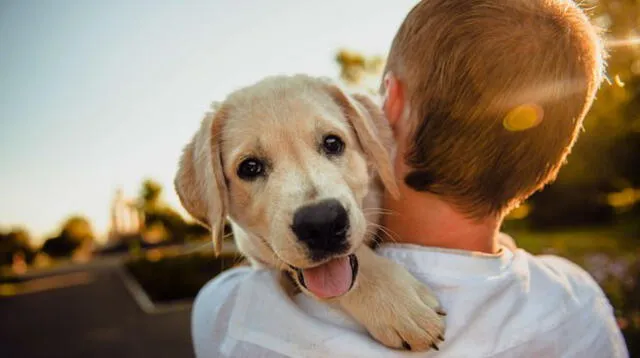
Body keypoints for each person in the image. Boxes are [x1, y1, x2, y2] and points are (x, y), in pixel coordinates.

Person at [191, 0, 629, 357]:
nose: (313, 196)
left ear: (389, 105)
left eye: (331, 143)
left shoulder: (233, 315)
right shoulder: (579, 304)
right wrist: (362, 281)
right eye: (252, 168)